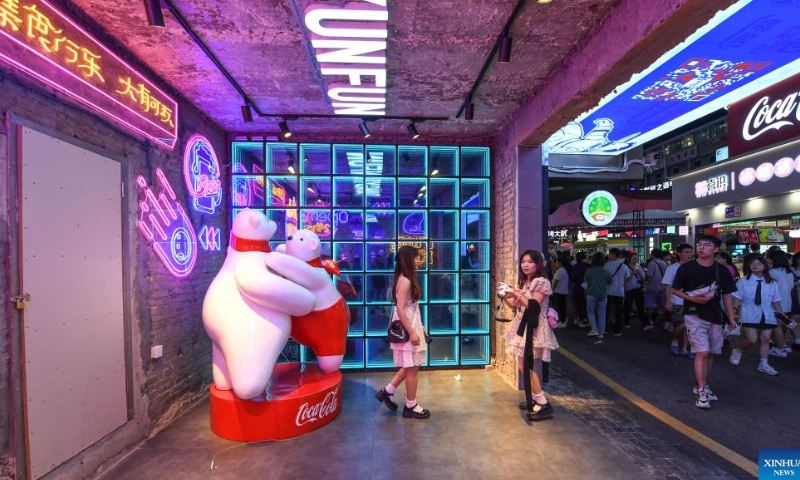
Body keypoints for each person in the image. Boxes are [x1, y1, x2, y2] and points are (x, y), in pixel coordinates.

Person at [671, 235, 737, 410]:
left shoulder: (721, 271)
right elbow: (675, 289)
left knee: (711, 353)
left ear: (716, 250)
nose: (701, 247)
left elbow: (727, 294)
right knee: (702, 352)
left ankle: (702, 384)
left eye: (707, 245)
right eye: (699, 244)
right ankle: (701, 391)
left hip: (715, 315)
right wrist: (690, 298)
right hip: (693, 314)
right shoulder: (686, 268)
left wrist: (731, 318)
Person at [375, 246, 430, 419]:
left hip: (412, 325)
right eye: (415, 258)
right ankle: (410, 406)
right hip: (408, 328)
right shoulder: (405, 280)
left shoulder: (404, 278)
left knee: (410, 365)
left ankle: (388, 391)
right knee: (413, 368)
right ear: (408, 260)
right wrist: (413, 332)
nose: (418, 261)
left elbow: (411, 307)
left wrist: (420, 327)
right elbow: (400, 308)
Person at [502, 250, 559, 419]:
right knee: (524, 364)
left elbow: (533, 306)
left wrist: (514, 293)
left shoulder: (541, 282)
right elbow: (515, 306)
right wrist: (505, 295)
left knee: (525, 365)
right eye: (523, 261)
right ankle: (535, 398)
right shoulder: (526, 281)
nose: (525, 265)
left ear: (538, 264)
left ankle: (542, 402)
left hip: (534, 327)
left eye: (530, 262)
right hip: (523, 325)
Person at [729, 255, 796, 376]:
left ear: (764, 265)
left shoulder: (771, 282)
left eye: (758, 263)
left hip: (767, 314)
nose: (755, 265)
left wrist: (783, 317)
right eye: (752, 263)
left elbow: (775, 301)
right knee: (752, 339)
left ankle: (763, 364)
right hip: (749, 314)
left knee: (765, 339)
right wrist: (732, 314)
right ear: (749, 266)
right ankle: (738, 350)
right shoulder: (743, 281)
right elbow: (737, 299)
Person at [663, 244, 694, 357]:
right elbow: (667, 285)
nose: (689, 254)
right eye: (686, 252)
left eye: (690, 252)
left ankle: (684, 348)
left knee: (688, 326)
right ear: (679, 254)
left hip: (692, 301)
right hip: (677, 301)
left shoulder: (695, 267)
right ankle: (675, 340)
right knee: (681, 324)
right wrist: (668, 301)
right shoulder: (672, 268)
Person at [765, 250, 796, 357]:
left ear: (774, 259)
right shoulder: (789, 271)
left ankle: (780, 348)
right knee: (782, 323)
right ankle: (783, 345)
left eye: (768, 257)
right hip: (787, 301)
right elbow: (791, 286)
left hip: (775, 302)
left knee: (776, 325)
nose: (766, 259)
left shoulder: (772, 272)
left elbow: (768, 288)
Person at [584, 252, 611, 340]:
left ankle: (594, 329)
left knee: (591, 311)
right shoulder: (606, 271)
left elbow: (585, 281)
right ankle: (601, 333)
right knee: (602, 313)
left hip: (592, 293)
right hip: (603, 294)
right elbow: (610, 281)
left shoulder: (589, 270)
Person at [603, 248, 630, 337]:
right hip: (619, 292)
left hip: (608, 292)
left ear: (614, 255)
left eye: (610, 254)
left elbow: (604, 279)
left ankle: (605, 329)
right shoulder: (623, 266)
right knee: (618, 312)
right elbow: (627, 278)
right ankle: (617, 331)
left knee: (606, 311)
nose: (609, 255)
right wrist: (622, 284)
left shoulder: (606, 265)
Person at [622, 251, 649, 331]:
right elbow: (624, 280)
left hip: (637, 288)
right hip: (629, 289)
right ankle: (626, 323)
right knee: (627, 306)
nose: (636, 260)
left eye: (636, 258)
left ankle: (645, 323)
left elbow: (643, 279)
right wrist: (632, 273)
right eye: (634, 258)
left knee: (640, 306)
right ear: (629, 259)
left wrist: (639, 274)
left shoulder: (639, 266)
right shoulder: (625, 267)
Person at [645, 249, 668, 328]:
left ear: (652, 255)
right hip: (662, 288)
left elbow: (650, 276)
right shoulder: (664, 263)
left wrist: (647, 286)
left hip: (652, 288)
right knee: (663, 306)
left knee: (650, 305)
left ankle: (650, 321)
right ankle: (665, 321)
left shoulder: (652, 264)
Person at [571, 252, 590, 328]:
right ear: (584, 258)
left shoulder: (574, 267)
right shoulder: (588, 266)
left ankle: (579, 318)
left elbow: (573, 278)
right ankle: (585, 319)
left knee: (578, 304)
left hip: (577, 287)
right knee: (585, 304)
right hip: (586, 288)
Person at [552, 255, 570, 328]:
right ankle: (563, 320)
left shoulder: (560, 271)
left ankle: (562, 321)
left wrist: (552, 290)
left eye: (556, 262)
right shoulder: (565, 270)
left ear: (560, 263)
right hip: (563, 291)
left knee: (560, 307)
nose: (556, 263)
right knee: (562, 307)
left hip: (559, 291)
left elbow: (556, 281)